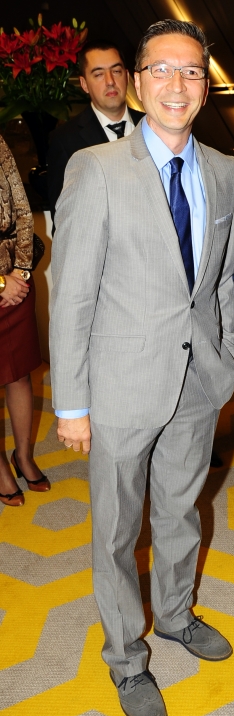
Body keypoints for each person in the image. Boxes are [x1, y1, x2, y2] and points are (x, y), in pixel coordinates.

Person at [49, 19, 234, 716]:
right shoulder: (96, 169)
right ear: (135, 82)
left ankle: (176, 615)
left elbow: (223, 278)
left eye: (191, 70)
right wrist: (71, 404)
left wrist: (228, 355)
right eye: (161, 69)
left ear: (206, 86)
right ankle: (127, 657)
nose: (176, 84)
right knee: (115, 529)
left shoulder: (225, 170)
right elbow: (71, 294)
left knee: (181, 512)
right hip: (121, 385)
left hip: (199, 380)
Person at [0, 136, 51, 506]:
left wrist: (20, 269)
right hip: (6, 284)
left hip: (18, 281)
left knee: (19, 374)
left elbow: (21, 206)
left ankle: (23, 455)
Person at [47, 40, 144, 223]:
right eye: (99, 74)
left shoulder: (154, 127)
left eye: (116, 71)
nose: (110, 81)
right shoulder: (65, 140)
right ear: (84, 84)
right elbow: (63, 220)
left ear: (127, 76)